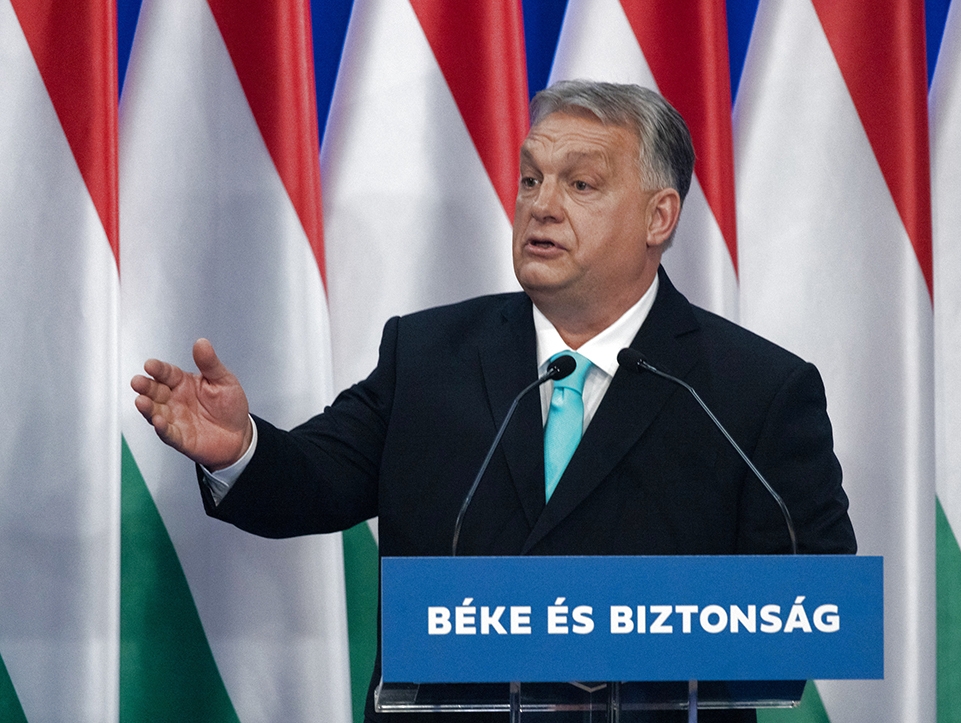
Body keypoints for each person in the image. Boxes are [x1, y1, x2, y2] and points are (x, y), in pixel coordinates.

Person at [132, 80, 856, 722]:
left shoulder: (753, 390)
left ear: (658, 217)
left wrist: (609, 628)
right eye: (530, 179)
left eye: (580, 184)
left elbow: (814, 607)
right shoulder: (427, 355)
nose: (541, 205)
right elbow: (313, 482)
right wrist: (241, 448)